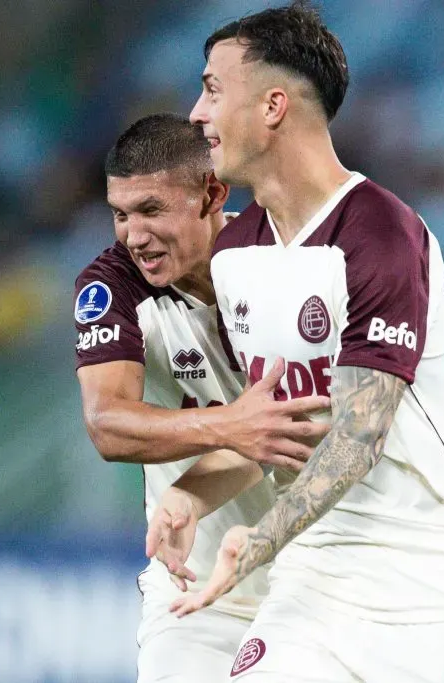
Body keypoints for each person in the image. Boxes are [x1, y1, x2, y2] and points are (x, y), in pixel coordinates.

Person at [175, 3, 444, 681]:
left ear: (274, 106)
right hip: (313, 589)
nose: (196, 112)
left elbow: (372, 428)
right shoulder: (233, 253)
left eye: (213, 89)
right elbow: (273, 431)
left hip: (437, 591)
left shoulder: (381, 232)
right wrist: (188, 495)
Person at [74, 112, 331, 683]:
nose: (133, 236)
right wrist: (228, 427)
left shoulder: (286, 257)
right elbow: (106, 422)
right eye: (120, 214)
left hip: (322, 576)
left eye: (151, 210)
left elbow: (298, 426)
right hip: (196, 590)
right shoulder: (113, 287)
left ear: (212, 194)